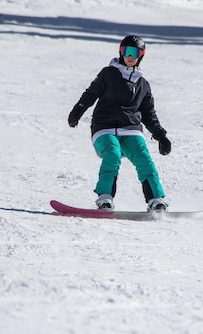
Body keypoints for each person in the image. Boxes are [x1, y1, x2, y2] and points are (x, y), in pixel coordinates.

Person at [68, 35, 172, 211]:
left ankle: (155, 200)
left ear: (141, 56)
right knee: (112, 154)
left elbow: (149, 114)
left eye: (135, 53)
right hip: (104, 126)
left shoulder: (143, 84)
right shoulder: (108, 73)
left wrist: (161, 136)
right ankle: (105, 198)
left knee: (143, 157)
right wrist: (77, 111)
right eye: (127, 51)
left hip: (131, 128)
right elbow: (91, 94)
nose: (130, 56)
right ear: (121, 52)